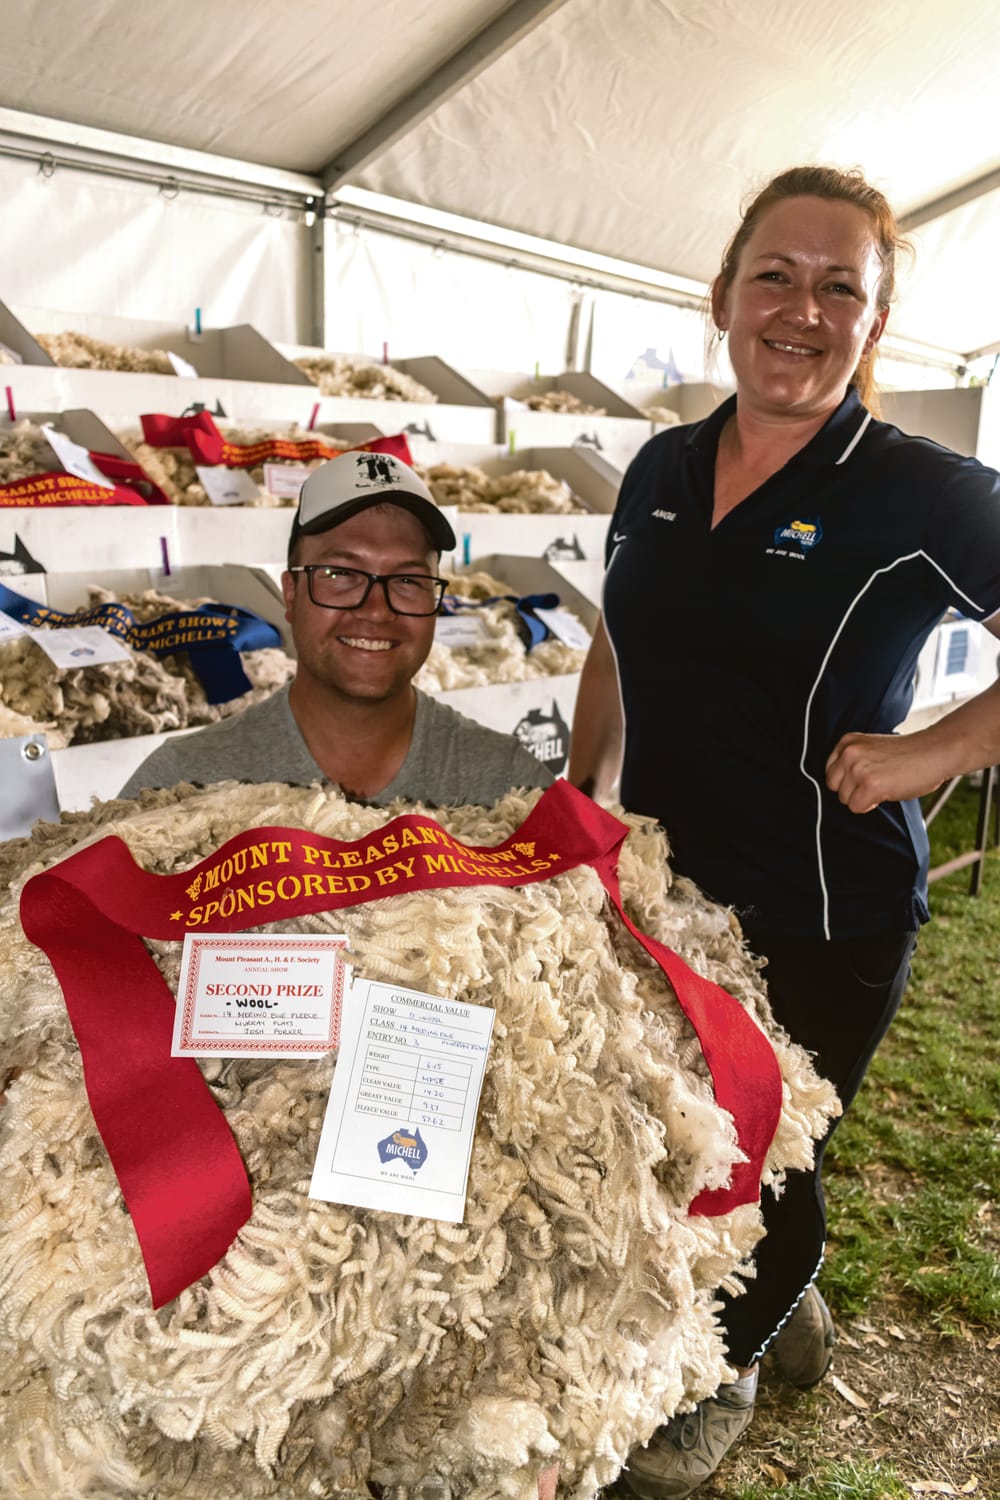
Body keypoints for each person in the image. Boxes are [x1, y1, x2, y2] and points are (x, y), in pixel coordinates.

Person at [569, 164, 1000, 1498]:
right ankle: (777, 1291)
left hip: (825, 906)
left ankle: (733, 1361)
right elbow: (612, 643)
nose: (802, 309)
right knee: (670, 1138)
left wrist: (933, 751)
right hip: (663, 890)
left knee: (770, 1151)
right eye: (776, 275)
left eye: (841, 288)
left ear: (873, 326)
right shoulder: (659, 462)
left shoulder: (923, 490)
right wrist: (581, 798)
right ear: (721, 295)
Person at [119, 451, 553, 805]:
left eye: (407, 580)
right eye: (341, 574)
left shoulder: (510, 788)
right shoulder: (182, 785)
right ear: (290, 594)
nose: (377, 609)